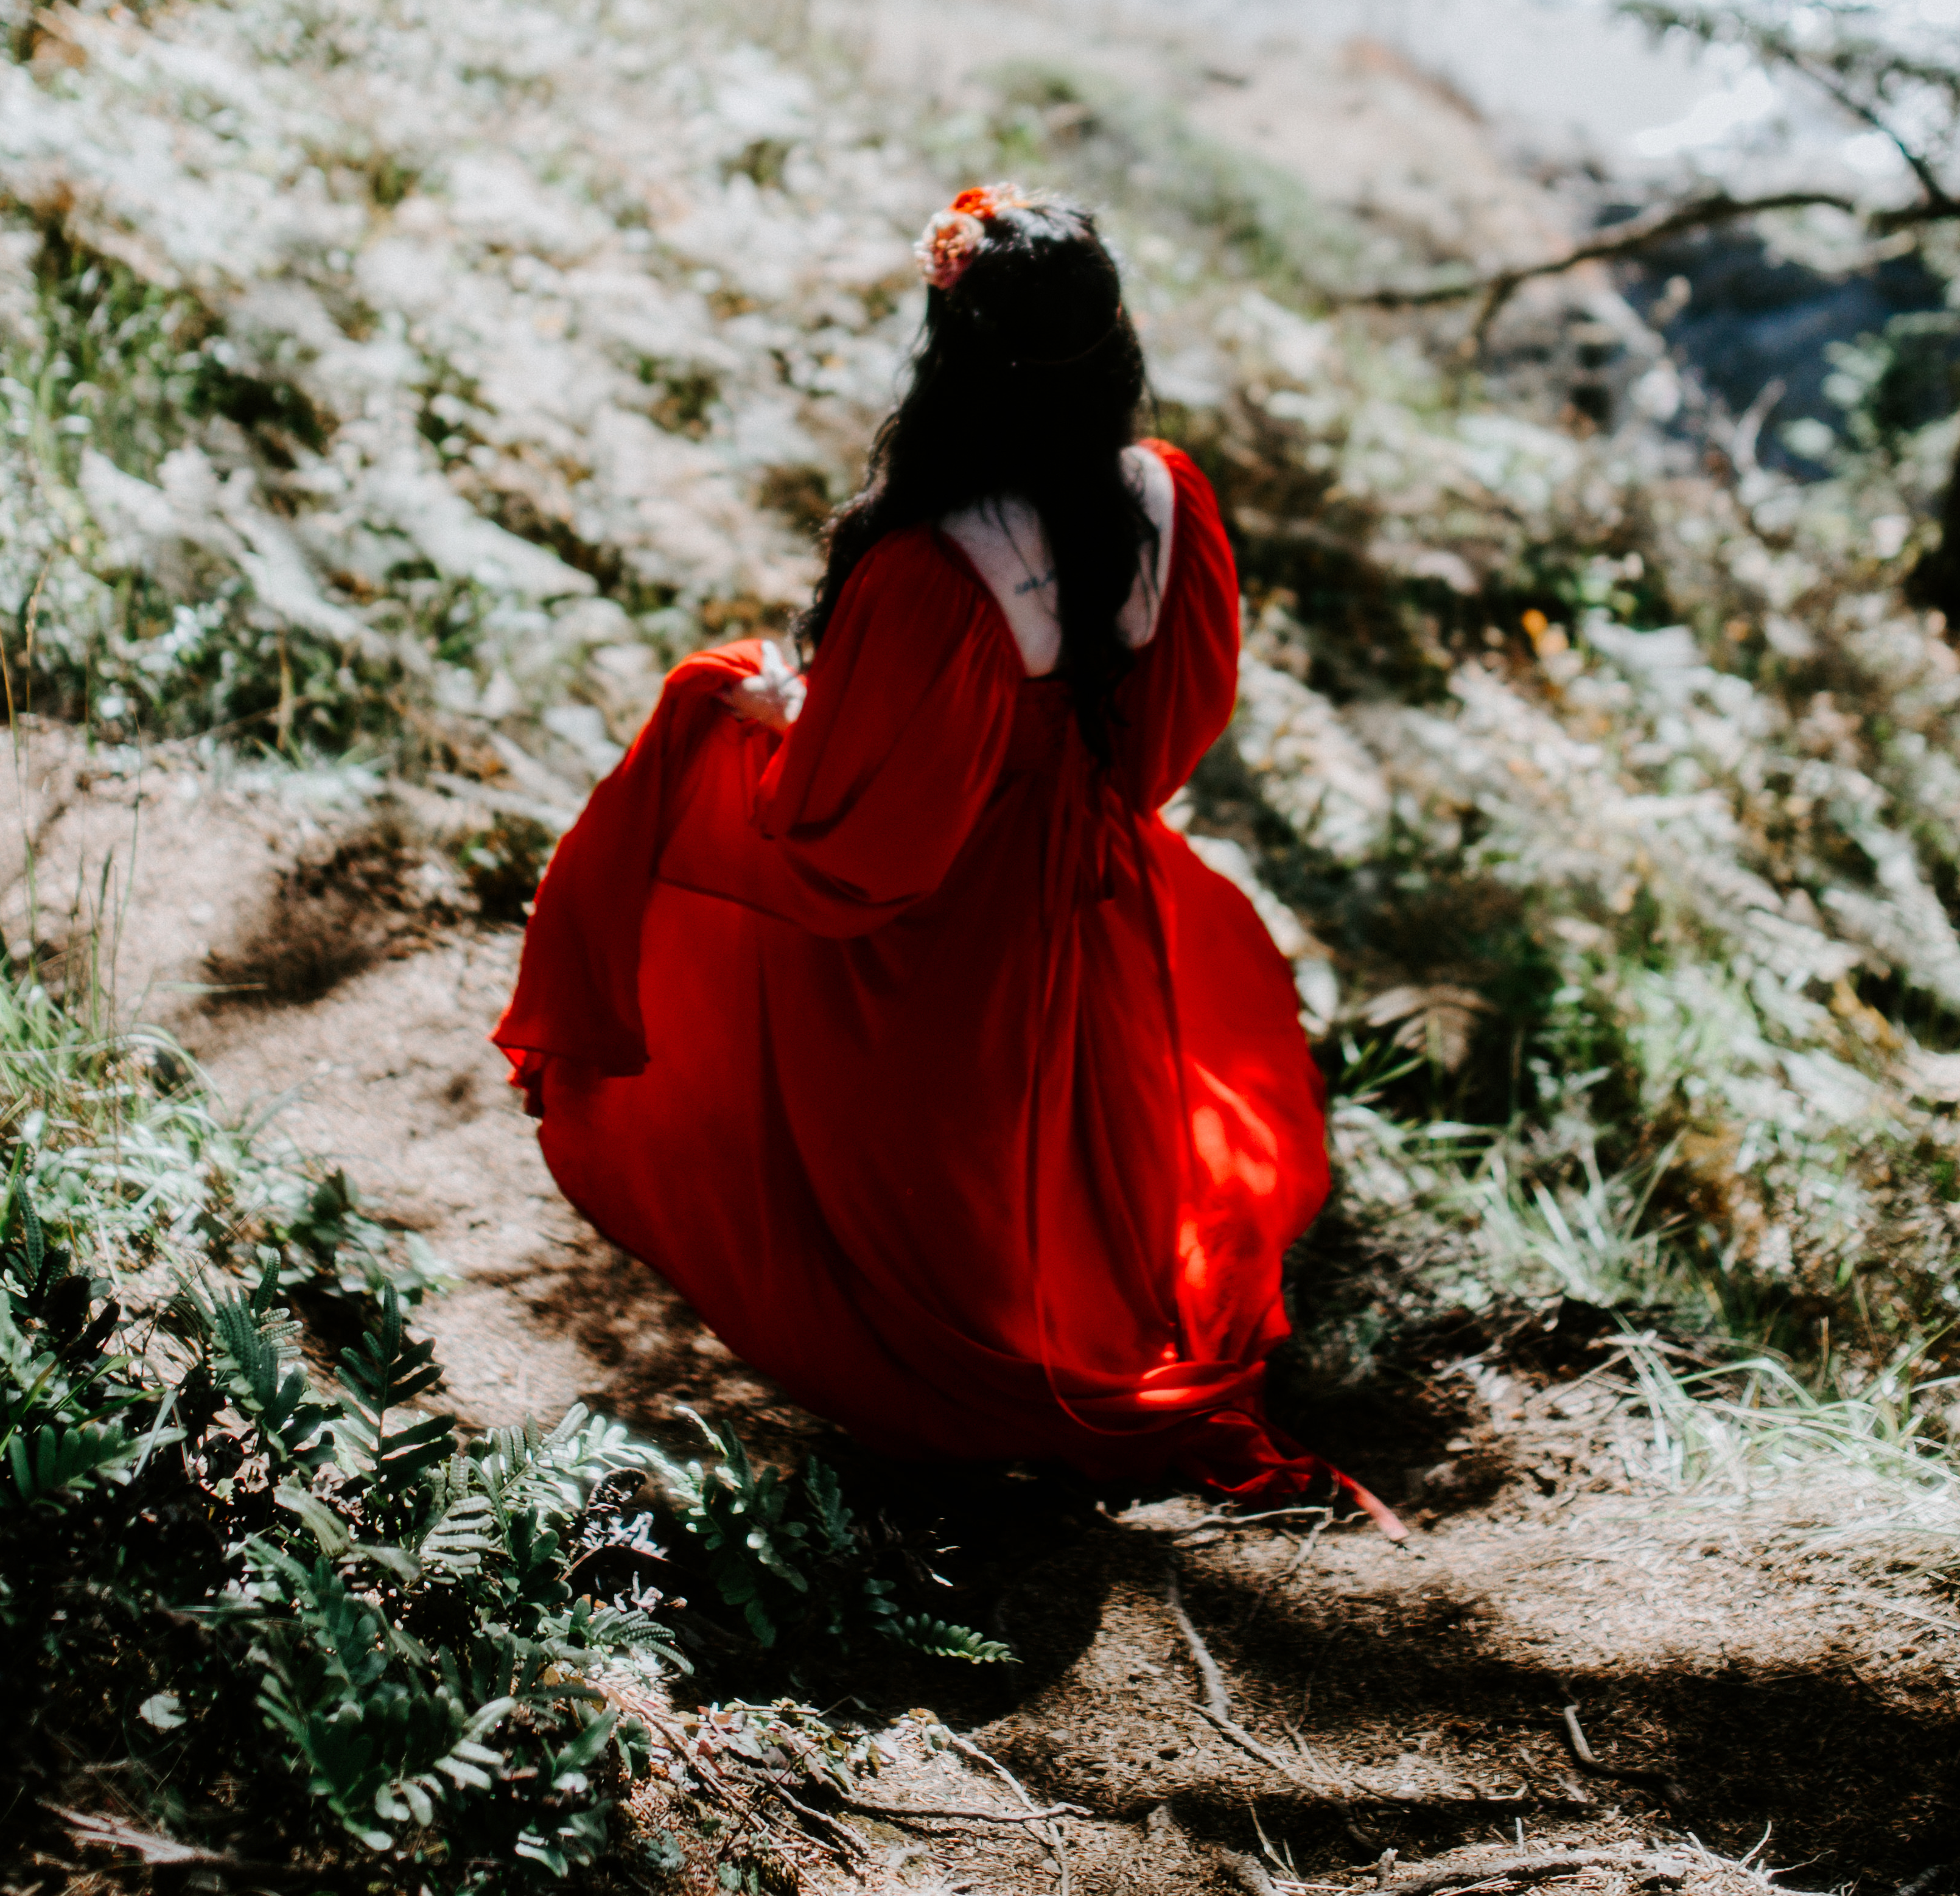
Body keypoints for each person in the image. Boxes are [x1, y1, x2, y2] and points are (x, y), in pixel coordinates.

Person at [493, 186, 1394, 1526]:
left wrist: (766, 710)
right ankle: (1070, 1322)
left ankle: (977, 1366)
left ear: (955, 358)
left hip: (957, 902)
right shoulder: (1164, 496)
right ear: (1113, 344)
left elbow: (868, 828)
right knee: (1083, 1128)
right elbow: (1177, 719)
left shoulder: (938, 563)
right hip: (1093, 867)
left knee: (948, 1130)